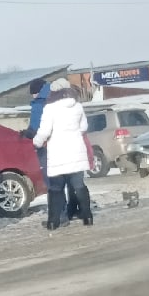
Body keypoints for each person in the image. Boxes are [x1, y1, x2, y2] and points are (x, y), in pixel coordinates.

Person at [33, 78, 93, 231]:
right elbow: (84, 127)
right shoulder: (78, 106)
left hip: (58, 154)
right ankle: (87, 216)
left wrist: (37, 142)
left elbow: (44, 131)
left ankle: (53, 222)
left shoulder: (50, 108)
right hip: (76, 153)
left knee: (56, 189)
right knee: (79, 186)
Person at [24, 75, 81, 222]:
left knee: (53, 183)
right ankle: (73, 210)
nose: (32, 95)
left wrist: (28, 134)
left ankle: (59, 215)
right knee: (70, 180)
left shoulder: (40, 103)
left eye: (32, 92)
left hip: (49, 147)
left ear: (36, 91)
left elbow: (38, 128)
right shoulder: (62, 98)